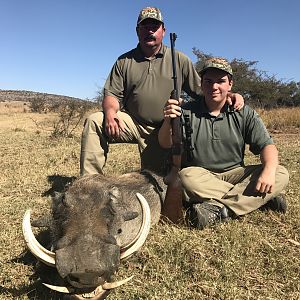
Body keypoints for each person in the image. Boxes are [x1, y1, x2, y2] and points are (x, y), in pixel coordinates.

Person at [80, 7, 244, 176]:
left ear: (163, 31)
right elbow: (112, 95)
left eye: (154, 26)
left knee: (157, 180)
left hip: (165, 129)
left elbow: (201, 91)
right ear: (137, 31)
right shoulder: (124, 61)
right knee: (95, 121)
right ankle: (88, 184)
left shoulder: (180, 59)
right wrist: (110, 113)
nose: (149, 30)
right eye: (144, 27)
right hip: (133, 122)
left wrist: (229, 95)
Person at [158, 57, 289, 229]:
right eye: (208, 81)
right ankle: (260, 200)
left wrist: (269, 171)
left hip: (236, 173)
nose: (214, 87)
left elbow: (267, 146)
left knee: (280, 172)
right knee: (186, 177)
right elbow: (165, 143)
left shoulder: (244, 112)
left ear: (230, 84)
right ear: (201, 84)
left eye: (221, 81)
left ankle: (221, 209)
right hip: (201, 175)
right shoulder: (186, 111)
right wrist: (168, 120)